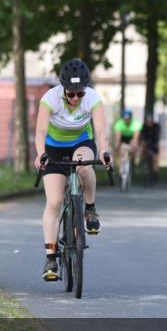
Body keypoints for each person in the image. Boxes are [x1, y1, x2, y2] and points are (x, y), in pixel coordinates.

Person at [33, 59, 111, 281]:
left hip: (81, 143)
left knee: (83, 166)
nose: (76, 98)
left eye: (80, 93)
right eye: (71, 94)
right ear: (63, 89)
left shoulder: (93, 99)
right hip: (53, 148)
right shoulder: (50, 99)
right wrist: (40, 155)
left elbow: (101, 130)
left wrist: (104, 152)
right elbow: (40, 132)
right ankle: (50, 258)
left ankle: (90, 208)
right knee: (55, 202)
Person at [113, 109, 142, 174]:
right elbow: (118, 138)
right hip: (123, 138)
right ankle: (121, 170)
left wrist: (134, 145)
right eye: (125, 119)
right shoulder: (119, 124)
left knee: (134, 149)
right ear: (123, 118)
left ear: (131, 118)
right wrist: (117, 147)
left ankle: (133, 165)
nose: (127, 120)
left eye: (128, 119)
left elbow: (135, 138)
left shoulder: (136, 123)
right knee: (121, 151)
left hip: (131, 138)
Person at [139, 115, 161, 185]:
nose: (149, 123)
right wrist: (142, 142)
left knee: (155, 160)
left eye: (150, 122)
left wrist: (155, 143)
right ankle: (142, 163)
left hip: (153, 144)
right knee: (143, 152)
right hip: (146, 144)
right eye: (148, 122)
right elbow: (141, 136)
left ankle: (155, 175)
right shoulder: (143, 127)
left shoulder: (156, 127)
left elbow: (157, 137)